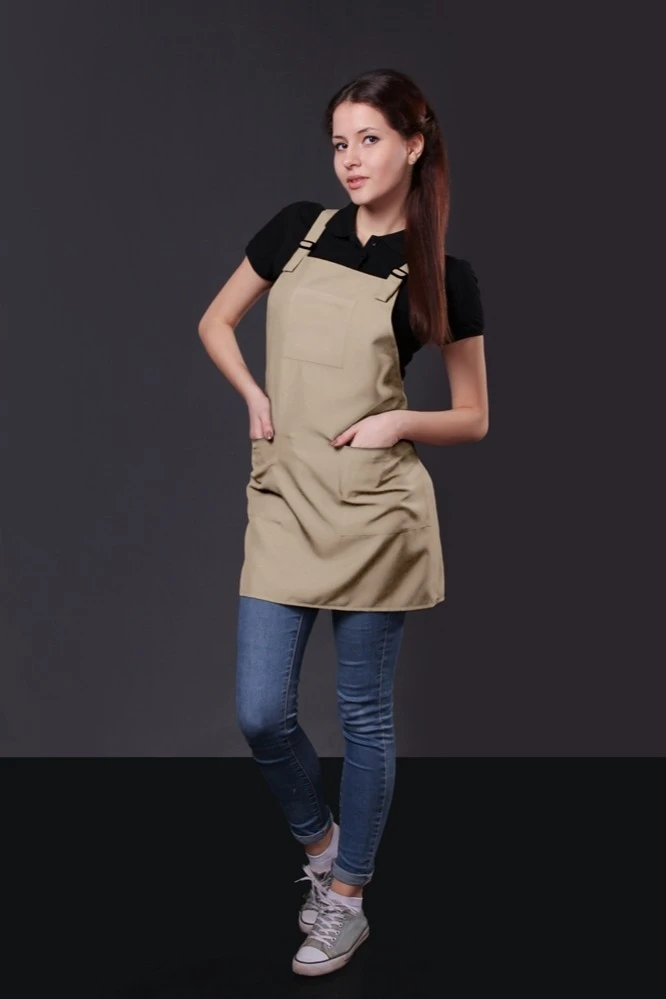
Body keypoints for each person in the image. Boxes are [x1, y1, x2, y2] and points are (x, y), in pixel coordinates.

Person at [198, 67, 488, 977]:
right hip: (286, 498)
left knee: (363, 715)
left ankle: (349, 901)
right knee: (260, 712)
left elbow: (475, 416)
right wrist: (253, 394)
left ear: (414, 144)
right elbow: (215, 322)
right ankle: (323, 848)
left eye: (369, 139)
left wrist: (400, 422)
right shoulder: (298, 228)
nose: (350, 159)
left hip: (374, 513)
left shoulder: (440, 274)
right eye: (339, 142)